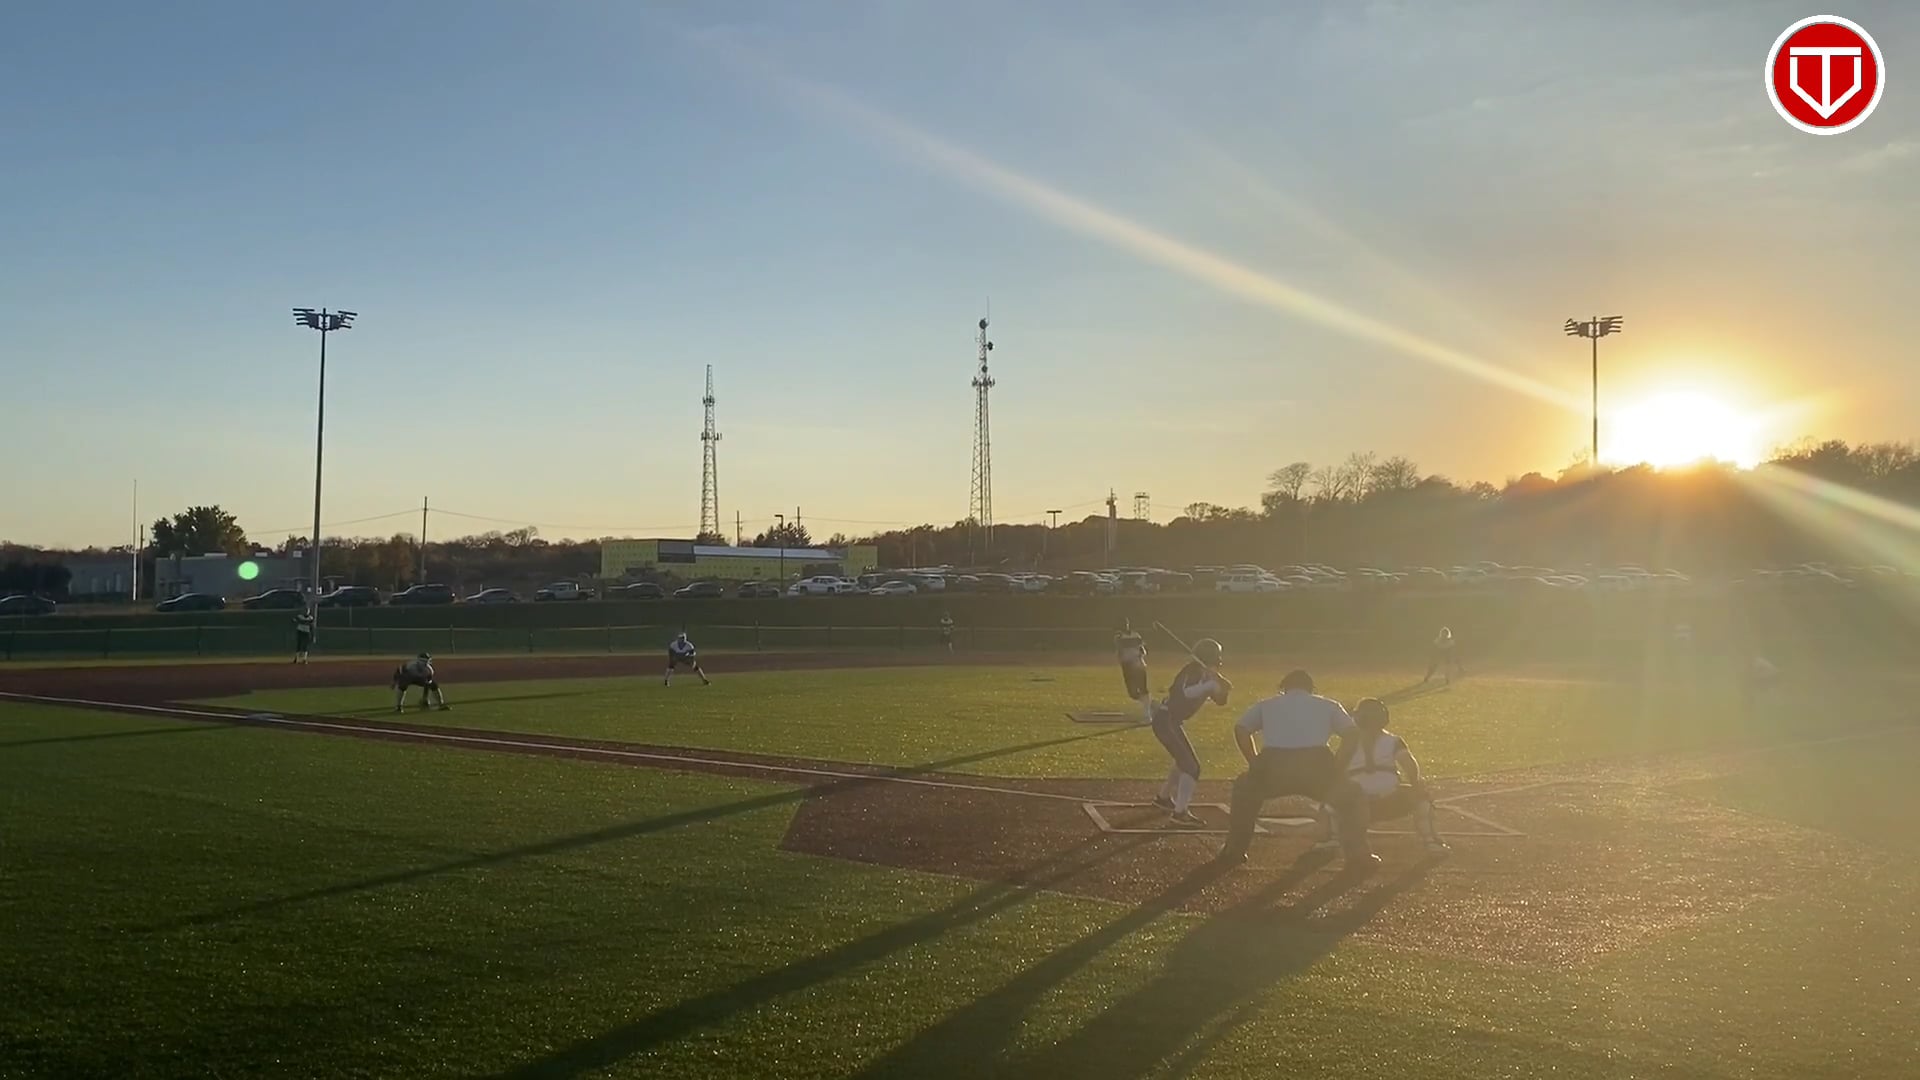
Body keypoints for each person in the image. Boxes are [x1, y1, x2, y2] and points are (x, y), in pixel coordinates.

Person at [1217, 669, 1375, 870]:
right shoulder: (1328, 705)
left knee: (1243, 789)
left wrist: (1254, 761)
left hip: (1274, 765)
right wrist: (1338, 767)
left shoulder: (1267, 705)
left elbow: (1241, 728)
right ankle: (1359, 854)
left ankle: (1234, 850)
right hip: (1317, 765)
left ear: (1284, 688)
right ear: (1310, 689)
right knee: (1352, 796)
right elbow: (1352, 733)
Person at [1313, 698, 1450, 855]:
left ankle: (1330, 840)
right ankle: (1432, 843)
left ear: (1357, 718)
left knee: (1329, 804)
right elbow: (1409, 765)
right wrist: (1416, 784)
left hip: (1355, 806)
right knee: (1423, 800)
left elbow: (1337, 770)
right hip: (1390, 801)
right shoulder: (1393, 741)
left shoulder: (1348, 743)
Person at [1149, 638, 1231, 829]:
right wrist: (1210, 685)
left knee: (1183, 761)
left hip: (1170, 722)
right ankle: (1180, 813)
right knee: (1192, 767)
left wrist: (1222, 687)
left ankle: (1163, 798)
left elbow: (1221, 701)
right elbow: (1186, 693)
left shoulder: (1204, 673)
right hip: (1166, 720)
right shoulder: (1193, 670)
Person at [1115, 618, 1151, 723]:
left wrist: (1140, 653)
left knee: (1143, 688)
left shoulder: (1135, 635)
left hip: (1137, 664)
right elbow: (1120, 650)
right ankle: (1148, 704)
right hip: (1128, 665)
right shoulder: (1119, 636)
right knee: (1132, 693)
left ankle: (1147, 714)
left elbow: (1142, 650)